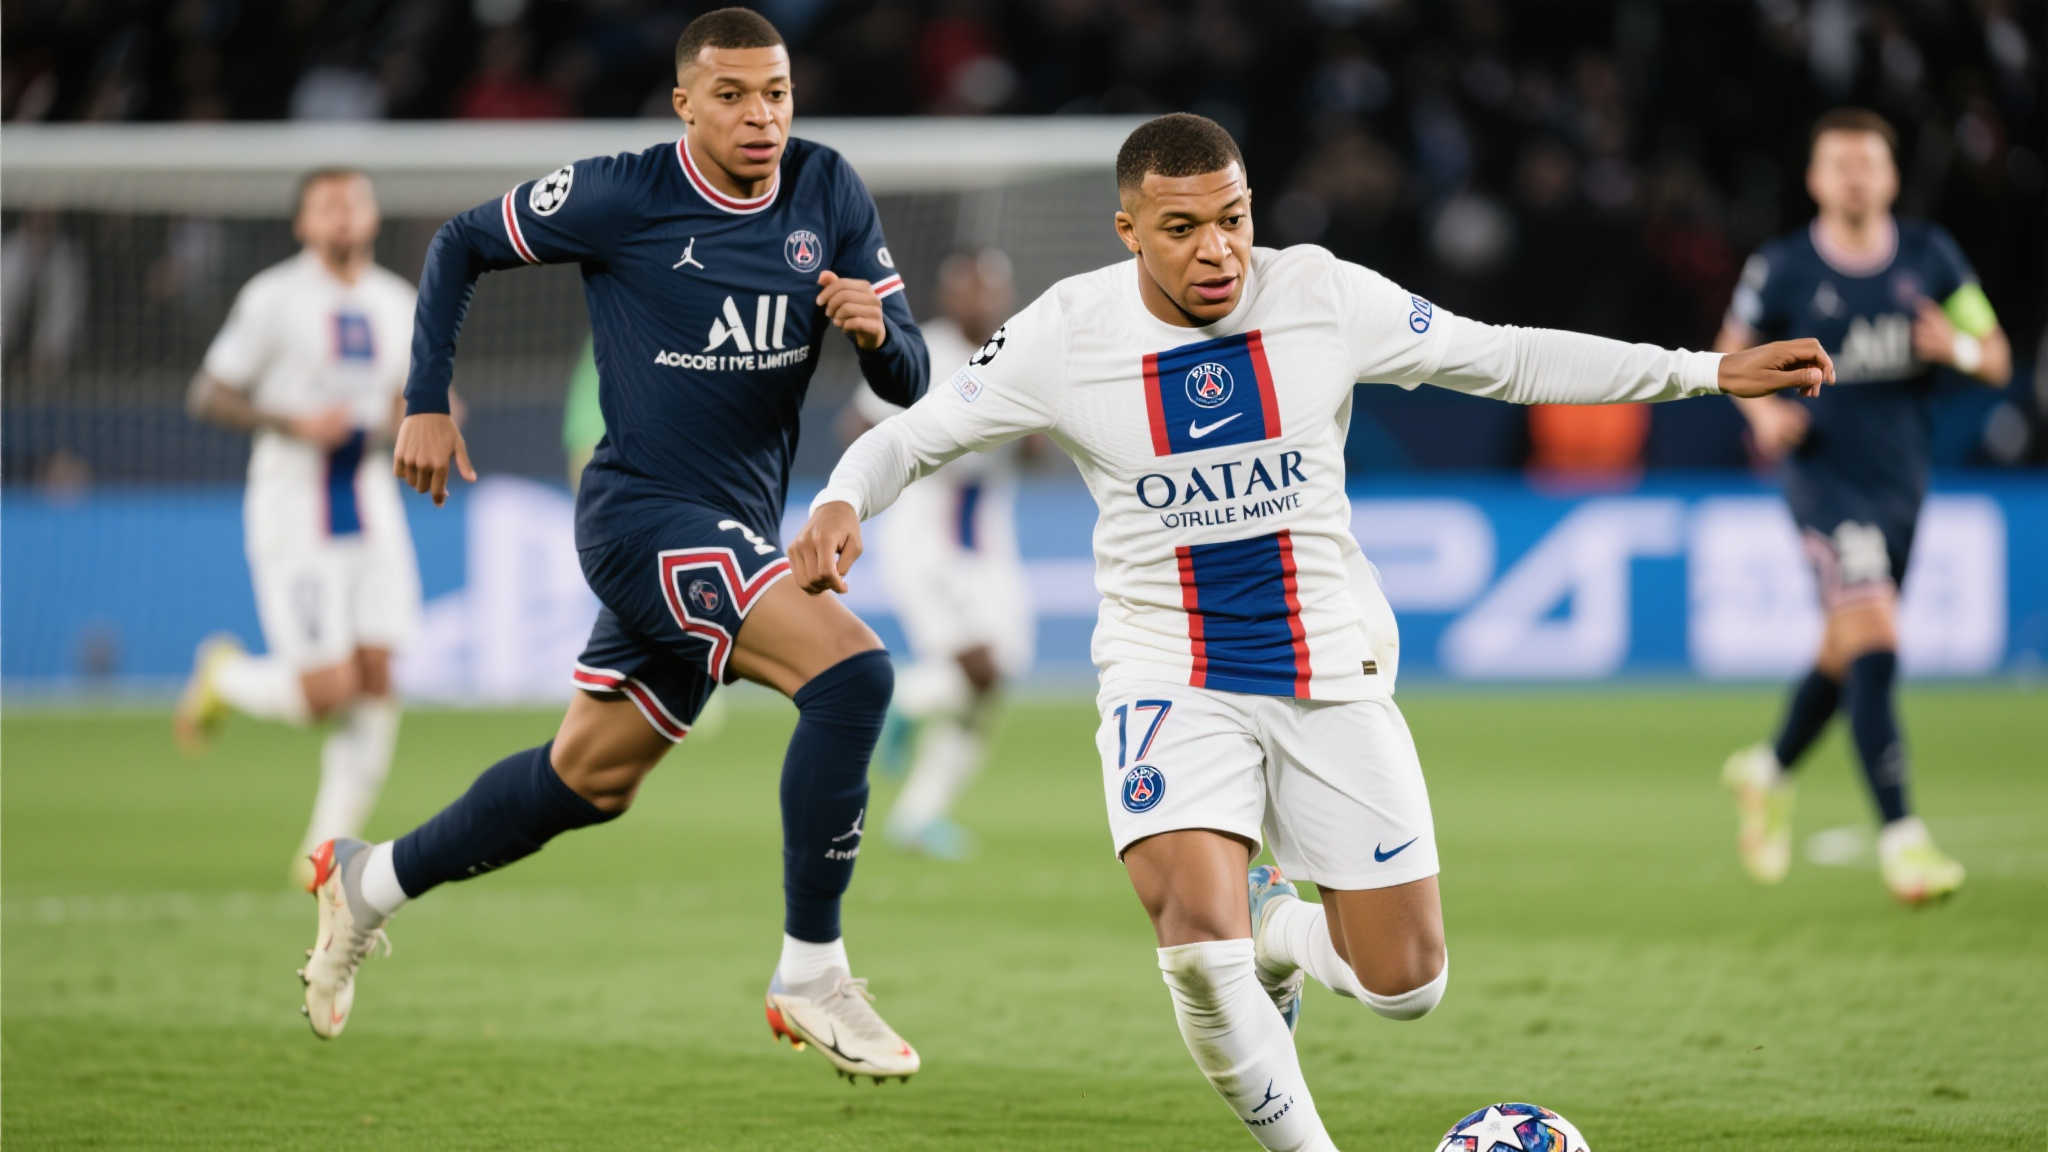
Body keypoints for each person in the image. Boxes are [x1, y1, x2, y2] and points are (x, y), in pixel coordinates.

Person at [791, 113, 1832, 1150]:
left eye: (1234, 218)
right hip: (1170, 671)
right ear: (1127, 231)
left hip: (1329, 666)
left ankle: (1275, 923)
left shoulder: (1322, 296)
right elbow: (911, 437)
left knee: (1405, 984)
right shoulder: (1065, 332)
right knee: (1200, 954)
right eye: (1182, 228)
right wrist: (841, 500)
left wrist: (1703, 372)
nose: (1217, 249)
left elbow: (1505, 357)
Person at [298, 8, 931, 1083]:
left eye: (776, 93)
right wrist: (424, 399)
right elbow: (460, 241)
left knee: (587, 782)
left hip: (734, 528)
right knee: (853, 675)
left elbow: (909, 378)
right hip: (641, 517)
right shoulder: (623, 193)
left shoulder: (827, 189)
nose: (761, 116)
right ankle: (812, 974)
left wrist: (874, 332)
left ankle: (368, 881)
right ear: (684, 103)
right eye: (731, 95)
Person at [1717, 108, 2010, 905]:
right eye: (1840, 164)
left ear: (1890, 176)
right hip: (1824, 481)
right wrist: (1762, 414)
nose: (1855, 178)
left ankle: (1767, 769)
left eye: (1868, 164)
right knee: (1876, 639)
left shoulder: (1930, 257)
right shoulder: (1783, 267)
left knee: (1847, 647)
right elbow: (1729, 348)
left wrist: (1953, 346)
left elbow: (1994, 355)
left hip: (1901, 483)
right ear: (1815, 179)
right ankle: (1903, 843)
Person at [176, 168, 421, 890]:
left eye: (354, 201)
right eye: (327, 205)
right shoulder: (273, 297)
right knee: (324, 694)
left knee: (377, 676)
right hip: (293, 504)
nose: (343, 214)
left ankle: (323, 853)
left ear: (372, 215)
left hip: (371, 500)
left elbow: (414, 399)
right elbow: (208, 393)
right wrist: (290, 421)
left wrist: (425, 418)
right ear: (303, 224)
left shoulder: (397, 301)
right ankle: (225, 677)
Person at [843, 248, 1033, 858]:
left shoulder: (1021, 352)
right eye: (968, 289)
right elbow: (858, 424)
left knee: (999, 675)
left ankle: (918, 815)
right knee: (979, 670)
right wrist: (921, 446)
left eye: (989, 289)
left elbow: (1037, 452)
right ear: (950, 296)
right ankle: (899, 701)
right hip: (926, 537)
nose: (980, 300)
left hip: (988, 540)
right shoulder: (923, 351)